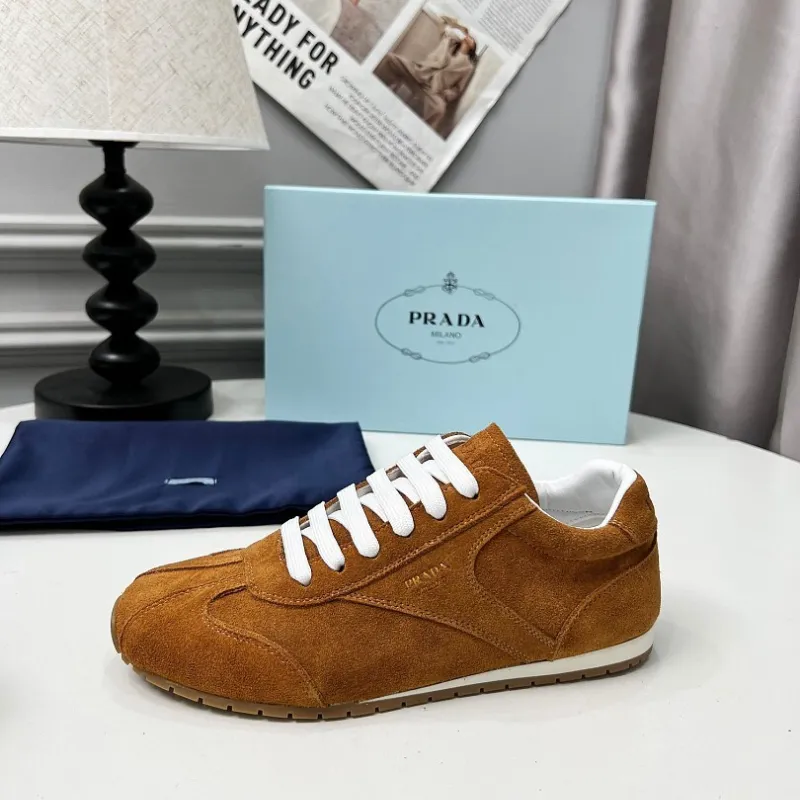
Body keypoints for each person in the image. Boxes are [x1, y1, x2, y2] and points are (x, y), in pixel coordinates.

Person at [377, 14, 478, 135]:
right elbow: (442, 20)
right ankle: (377, 85)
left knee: (439, 109)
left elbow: (457, 89)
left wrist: (444, 95)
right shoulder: (448, 40)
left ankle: (419, 135)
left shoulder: (467, 67)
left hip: (432, 90)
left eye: (472, 39)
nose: (468, 38)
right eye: (468, 36)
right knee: (390, 59)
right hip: (418, 73)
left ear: (473, 48)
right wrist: (460, 27)